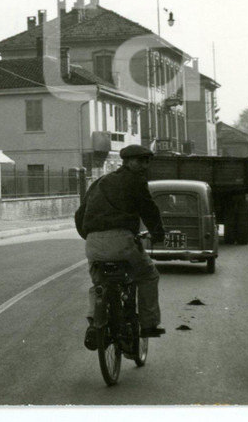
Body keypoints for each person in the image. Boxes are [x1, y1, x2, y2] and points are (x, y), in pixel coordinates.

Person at [75, 144, 166, 350]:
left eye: (147, 161)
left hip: (93, 242)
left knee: (99, 282)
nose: (144, 166)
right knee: (149, 275)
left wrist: (89, 236)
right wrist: (159, 234)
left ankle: (94, 323)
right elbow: (149, 210)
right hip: (122, 241)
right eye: (140, 161)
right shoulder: (135, 182)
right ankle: (149, 324)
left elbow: (80, 213)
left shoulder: (99, 182)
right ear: (127, 162)